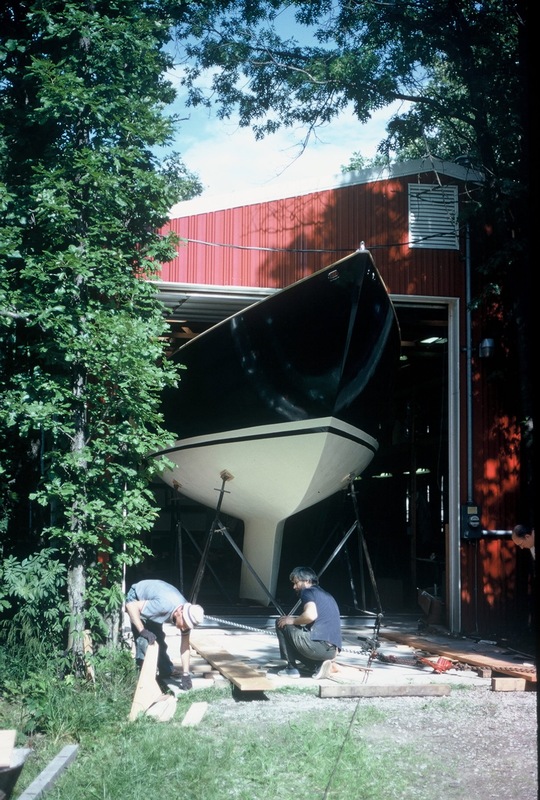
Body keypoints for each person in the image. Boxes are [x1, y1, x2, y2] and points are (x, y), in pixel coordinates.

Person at [125, 579, 204, 690]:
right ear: (180, 613)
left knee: (157, 638)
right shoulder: (163, 606)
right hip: (137, 597)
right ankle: (140, 682)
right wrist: (142, 630)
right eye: (185, 624)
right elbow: (131, 606)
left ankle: (165, 671)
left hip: (155, 600)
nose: (184, 628)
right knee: (144, 641)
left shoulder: (187, 612)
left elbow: (185, 647)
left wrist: (186, 674)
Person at [275, 566, 342, 678]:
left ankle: (291, 669)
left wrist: (292, 620)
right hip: (332, 651)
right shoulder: (326, 595)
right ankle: (318, 666)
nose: (294, 587)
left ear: (307, 581)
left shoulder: (308, 591)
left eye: (296, 583)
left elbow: (310, 615)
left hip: (318, 647)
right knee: (294, 634)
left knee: (281, 622)